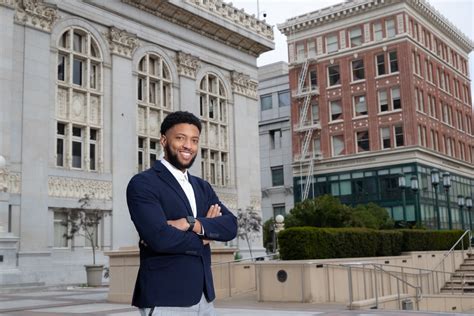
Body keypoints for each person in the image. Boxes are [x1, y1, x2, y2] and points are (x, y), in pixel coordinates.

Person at [127, 110, 237, 316]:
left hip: (204, 298)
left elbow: (231, 226)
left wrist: (191, 223)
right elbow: (160, 238)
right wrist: (206, 237)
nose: (188, 145)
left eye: (194, 140)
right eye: (180, 138)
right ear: (163, 140)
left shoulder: (202, 187)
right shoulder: (143, 184)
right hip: (165, 297)